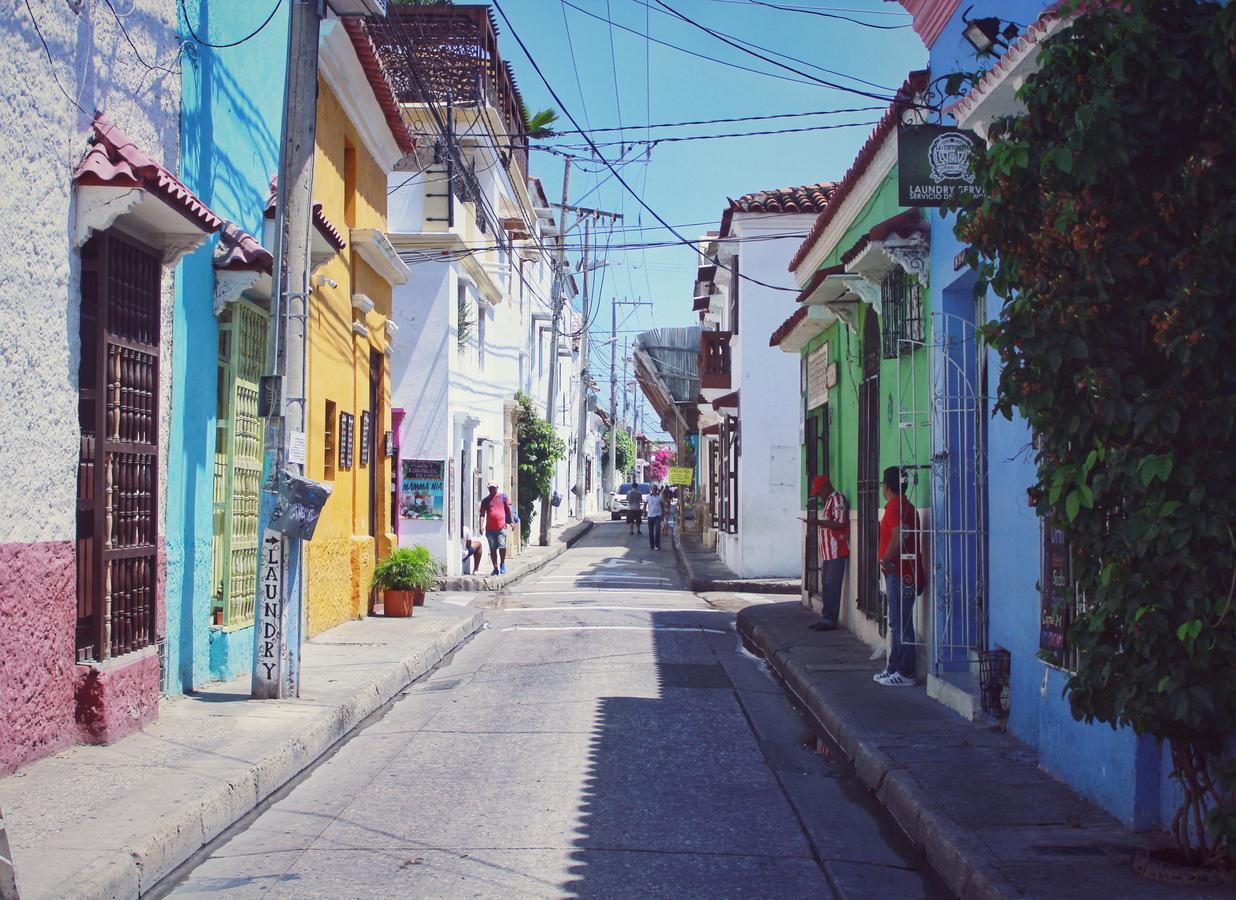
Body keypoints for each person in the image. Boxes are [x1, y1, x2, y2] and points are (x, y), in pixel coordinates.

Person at [874, 467, 924, 687]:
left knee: (901, 624)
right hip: (904, 572)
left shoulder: (896, 508)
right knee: (896, 623)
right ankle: (894, 667)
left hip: (900, 572)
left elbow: (900, 533)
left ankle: (905, 672)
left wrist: (886, 558)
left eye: (883, 484)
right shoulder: (906, 507)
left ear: (887, 486)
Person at [808, 474, 850, 632]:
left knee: (832, 585)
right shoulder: (828, 502)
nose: (819, 495)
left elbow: (840, 523)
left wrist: (818, 522)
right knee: (826, 585)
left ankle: (829, 620)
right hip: (827, 552)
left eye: (819, 492)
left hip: (836, 551)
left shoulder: (838, 499)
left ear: (826, 487)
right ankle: (826, 617)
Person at [479, 481, 513, 576]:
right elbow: (482, 514)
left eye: (493, 488)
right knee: (492, 549)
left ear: (497, 488)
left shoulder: (503, 497)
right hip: (490, 529)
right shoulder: (485, 501)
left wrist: (512, 522)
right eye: (490, 488)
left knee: (502, 546)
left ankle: (502, 563)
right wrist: (481, 526)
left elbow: (509, 509)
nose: (492, 489)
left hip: (501, 527)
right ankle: (495, 568)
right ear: (488, 489)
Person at [646, 484, 664, 550]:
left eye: (655, 489)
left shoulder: (660, 497)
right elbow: (645, 505)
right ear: (651, 490)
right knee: (651, 532)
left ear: (656, 490)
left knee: (657, 530)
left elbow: (662, 506)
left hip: (657, 516)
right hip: (650, 516)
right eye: (653, 489)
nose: (654, 490)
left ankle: (657, 545)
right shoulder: (648, 497)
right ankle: (652, 545)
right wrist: (645, 514)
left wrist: (663, 515)